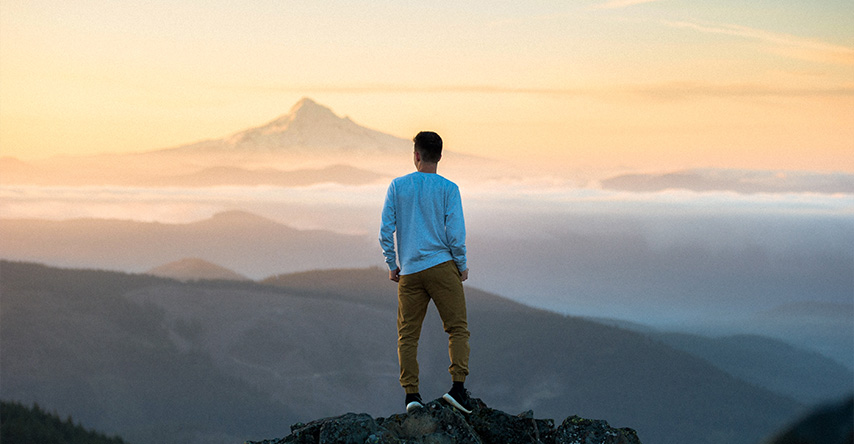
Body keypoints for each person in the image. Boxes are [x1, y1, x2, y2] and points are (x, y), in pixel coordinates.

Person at [379, 131, 473, 414]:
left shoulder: (398, 186)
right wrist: (461, 264)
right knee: (457, 328)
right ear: (440, 156)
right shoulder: (448, 188)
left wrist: (392, 264)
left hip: (409, 271)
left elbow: (385, 230)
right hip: (442, 266)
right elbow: (455, 235)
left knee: (407, 335)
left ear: (416, 155)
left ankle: (411, 396)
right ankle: (457, 389)